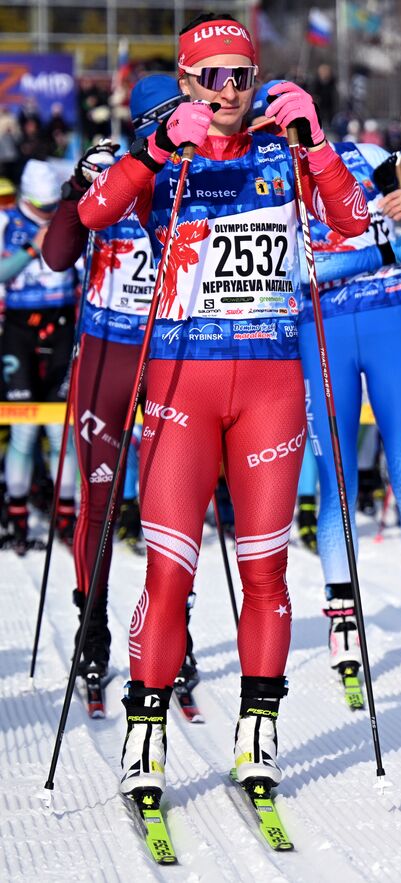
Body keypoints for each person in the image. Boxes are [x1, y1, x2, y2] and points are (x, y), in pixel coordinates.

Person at [77, 13, 368, 799]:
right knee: (170, 573)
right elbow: (93, 214)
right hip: (181, 384)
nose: (231, 90)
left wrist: (317, 144)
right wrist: (153, 149)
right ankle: (145, 737)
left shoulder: (281, 148)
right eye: (214, 76)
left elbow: (352, 221)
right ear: (186, 80)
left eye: (242, 74)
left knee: (267, 573)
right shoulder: (164, 152)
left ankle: (258, 732)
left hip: (271, 384)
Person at [247, 81, 401, 690]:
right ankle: (342, 619)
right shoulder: (260, 179)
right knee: (336, 483)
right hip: (320, 330)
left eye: (287, 121)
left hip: (389, 324)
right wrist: (385, 249)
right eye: (272, 125)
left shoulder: (361, 156)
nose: (281, 134)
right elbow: (298, 269)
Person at [41, 75, 188, 703]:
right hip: (106, 353)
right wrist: (76, 190)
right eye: (156, 122)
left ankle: (170, 635)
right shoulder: (122, 170)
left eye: (177, 118)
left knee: (172, 507)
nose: (170, 133)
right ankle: (93, 629)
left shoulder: (203, 173)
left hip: (170, 353)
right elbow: (55, 255)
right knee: (98, 502)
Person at [0, 159, 76, 553]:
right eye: (40, 206)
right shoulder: (5, 222)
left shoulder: (66, 215)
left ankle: (66, 515)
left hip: (61, 325)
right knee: (24, 427)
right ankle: (16, 513)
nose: (47, 212)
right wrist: (34, 246)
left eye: (51, 205)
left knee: (61, 428)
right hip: (18, 330)